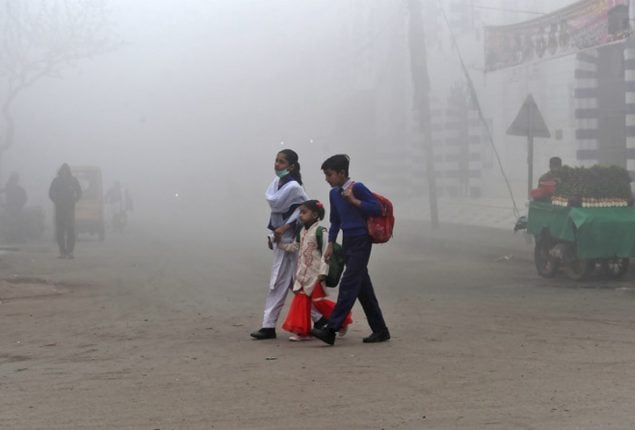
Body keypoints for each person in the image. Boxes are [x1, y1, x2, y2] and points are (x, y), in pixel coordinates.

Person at [311, 154, 390, 345]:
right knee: (363, 288)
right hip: (347, 240)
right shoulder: (334, 194)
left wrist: (354, 200)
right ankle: (380, 330)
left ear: (341, 173)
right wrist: (330, 244)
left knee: (348, 283)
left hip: (362, 240)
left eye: (329, 175)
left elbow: (377, 209)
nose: (327, 179)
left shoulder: (358, 188)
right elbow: (335, 220)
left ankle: (331, 329)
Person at [251, 149, 318, 340]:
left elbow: (307, 209)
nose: (277, 165)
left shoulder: (295, 187)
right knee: (290, 284)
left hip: (292, 241)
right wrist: (274, 234)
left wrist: (287, 226)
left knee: (282, 283)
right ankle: (321, 318)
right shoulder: (275, 185)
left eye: (281, 162)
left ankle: (269, 325)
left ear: (291, 166)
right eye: (276, 161)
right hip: (281, 240)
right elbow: (275, 212)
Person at [279, 200, 352, 341]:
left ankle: (342, 319)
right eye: (300, 212)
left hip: (316, 274)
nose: (300, 215)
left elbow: (326, 253)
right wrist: (279, 244)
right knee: (301, 301)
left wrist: (323, 273)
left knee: (318, 302)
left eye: (304, 212)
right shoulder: (302, 231)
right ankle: (302, 332)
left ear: (315, 214)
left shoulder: (321, 231)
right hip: (302, 274)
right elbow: (295, 247)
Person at [49, 163, 82, 259]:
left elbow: (79, 192)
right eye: (62, 170)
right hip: (59, 209)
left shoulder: (73, 181)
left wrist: (74, 201)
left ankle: (70, 251)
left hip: (69, 209)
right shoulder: (56, 181)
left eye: (66, 170)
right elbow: (51, 193)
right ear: (60, 171)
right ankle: (62, 251)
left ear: (68, 171)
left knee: (71, 230)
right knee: (60, 231)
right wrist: (56, 201)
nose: (64, 172)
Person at [0, 173, 28, 241]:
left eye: (15, 179)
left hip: (14, 208)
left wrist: (20, 204)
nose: (14, 181)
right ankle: (12, 237)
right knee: (12, 223)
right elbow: (25, 198)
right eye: (13, 179)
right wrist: (3, 204)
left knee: (16, 223)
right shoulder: (13, 188)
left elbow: (25, 198)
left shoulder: (18, 189)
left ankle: (15, 237)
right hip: (11, 208)